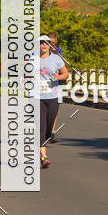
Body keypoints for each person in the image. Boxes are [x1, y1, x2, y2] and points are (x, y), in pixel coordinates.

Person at [38, 35, 68, 168]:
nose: (44, 45)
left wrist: (59, 77)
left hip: (52, 96)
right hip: (36, 97)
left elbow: (65, 74)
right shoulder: (31, 59)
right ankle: (43, 157)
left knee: (49, 128)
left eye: (46, 43)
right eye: (41, 43)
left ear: (50, 45)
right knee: (41, 127)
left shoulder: (56, 59)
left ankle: (47, 136)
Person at [46, 31, 63, 143]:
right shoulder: (41, 51)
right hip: (43, 83)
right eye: (50, 42)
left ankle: (51, 133)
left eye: (53, 42)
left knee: (54, 110)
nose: (52, 45)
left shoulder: (58, 50)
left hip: (56, 84)